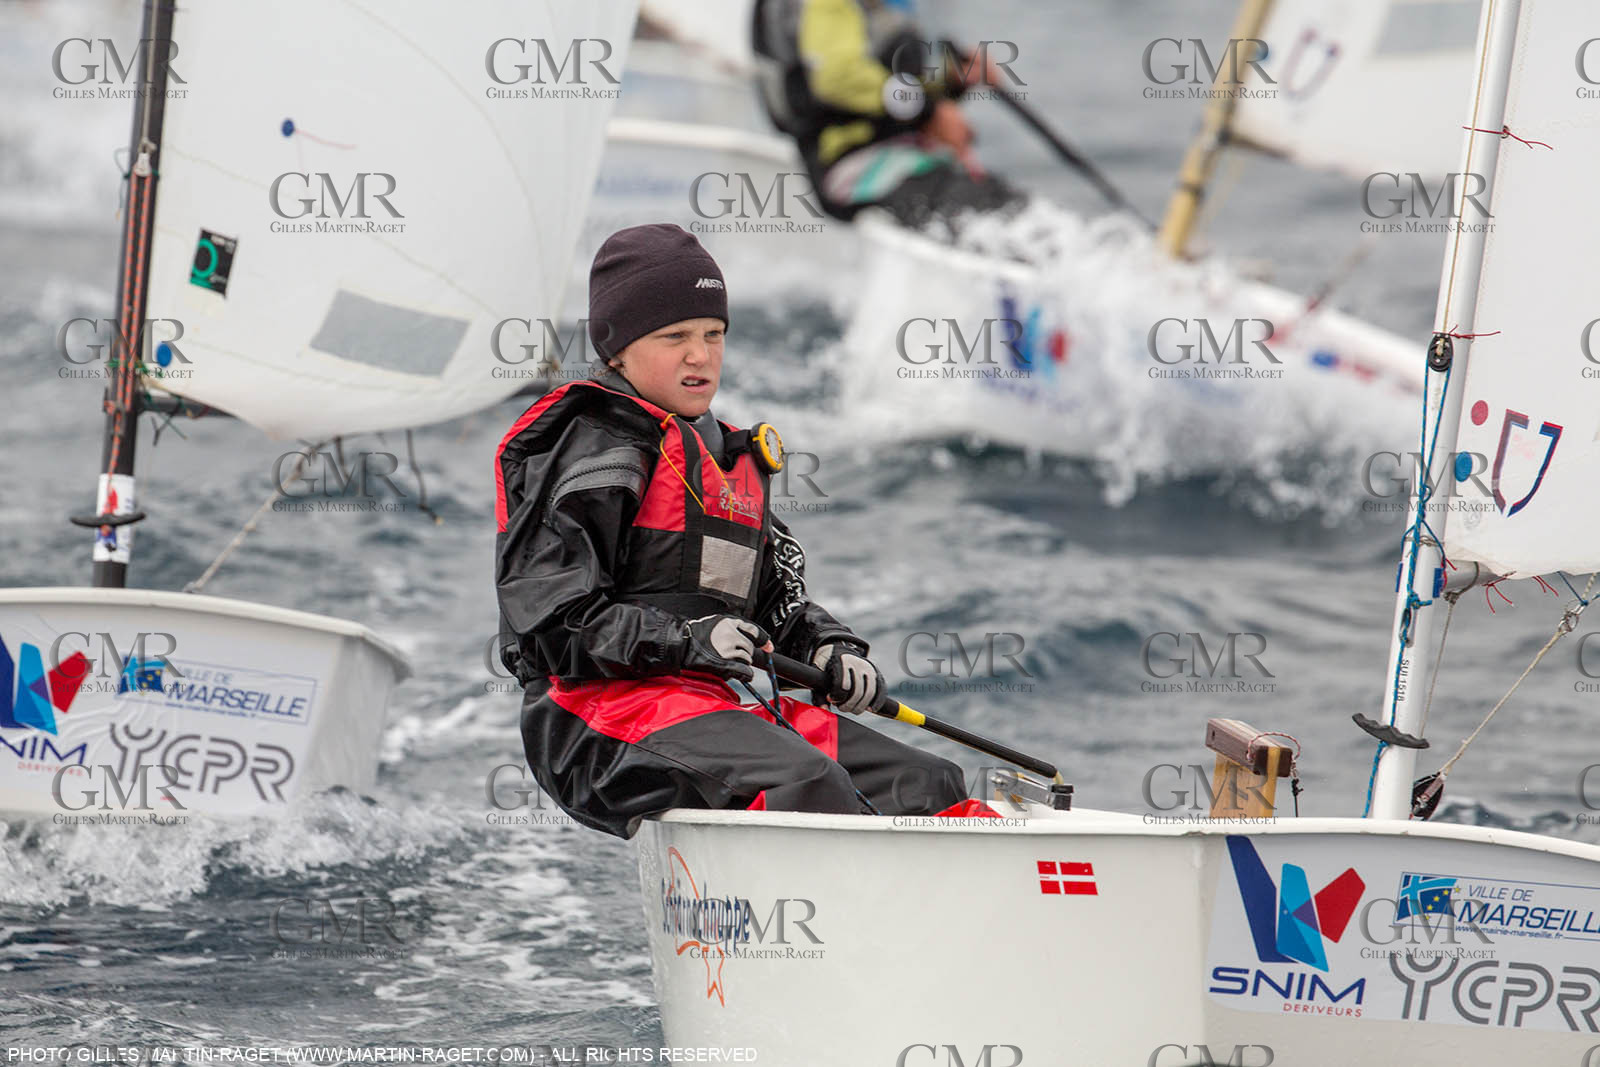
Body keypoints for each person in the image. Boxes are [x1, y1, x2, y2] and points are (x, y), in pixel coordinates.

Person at [494, 223, 966, 838]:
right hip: (592, 719)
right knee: (808, 784)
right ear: (616, 349)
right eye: (674, 337)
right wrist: (686, 640)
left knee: (931, 785)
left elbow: (772, 603)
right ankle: (814, 928)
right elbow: (551, 624)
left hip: (707, 708)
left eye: (714, 334)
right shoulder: (589, 453)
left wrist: (828, 646)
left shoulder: (722, 457)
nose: (700, 355)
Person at [751, 0, 1027, 228]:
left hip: (906, 157)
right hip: (847, 163)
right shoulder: (828, 6)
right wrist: (929, 111)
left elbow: (902, 87)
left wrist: (954, 77)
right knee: (970, 206)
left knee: (1002, 200)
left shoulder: (886, 11)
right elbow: (836, 79)